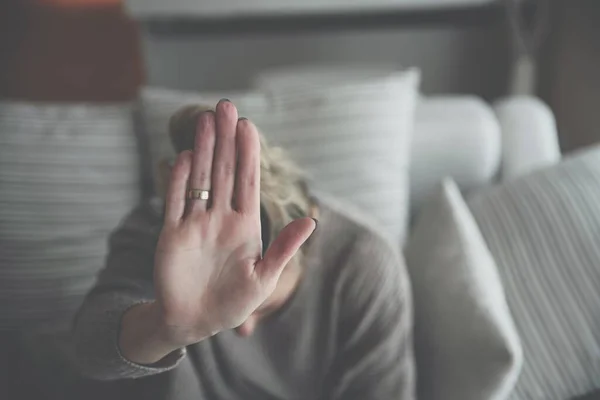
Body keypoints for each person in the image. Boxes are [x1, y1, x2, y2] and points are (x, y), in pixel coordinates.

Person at [73, 100, 415, 399]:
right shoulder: (159, 233)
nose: (242, 328)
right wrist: (166, 327)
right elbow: (89, 352)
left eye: (265, 310)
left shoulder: (363, 266)